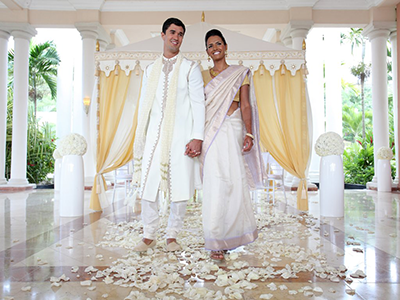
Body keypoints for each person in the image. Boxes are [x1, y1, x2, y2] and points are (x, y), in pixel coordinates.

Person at [132, 18, 205, 252]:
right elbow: (145, 104)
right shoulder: (150, 69)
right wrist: (141, 138)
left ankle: (172, 235)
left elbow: (198, 104)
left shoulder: (191, 68)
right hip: (153, 137)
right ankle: (148, 235)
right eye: (173, 32)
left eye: (181, 34)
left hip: (181, 137)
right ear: (162, 35)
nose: (177, 37)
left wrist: (198, 136)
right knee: (148, 186)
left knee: (179, 187)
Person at [199, 29, 265, 260]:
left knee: (234, 181)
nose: (215, 47)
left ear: (226, 47)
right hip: (211, 131)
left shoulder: (240, 73)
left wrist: (249, 133)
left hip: (234, 126)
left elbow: (246, 105)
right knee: (216, 182)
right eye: (210, 45)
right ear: (207, 52)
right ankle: (215, 238)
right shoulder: (202, 76)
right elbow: (198, 107)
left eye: (218, 43)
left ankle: (234, 235)